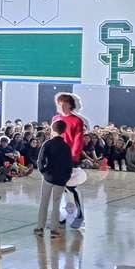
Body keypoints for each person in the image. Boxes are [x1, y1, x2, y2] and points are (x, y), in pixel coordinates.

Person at [52, 93, 86, 229]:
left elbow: (78, 141)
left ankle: (79, 215)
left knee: (71, 187)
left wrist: (72, 158)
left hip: (70, 159)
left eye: (64, 104)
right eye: (60, 104)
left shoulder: (77, 121)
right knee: (58, 189)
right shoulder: (55, 119)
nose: (61, 106)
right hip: (57, 159)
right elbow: (52, 137)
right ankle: (61, 217)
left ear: (71, 105)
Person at [35, 120, 71, 239]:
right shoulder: (66, 146)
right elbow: (69, 165)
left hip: (48, 177)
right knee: (56, 204)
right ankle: (54, 230)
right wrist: (66, 178)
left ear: (53, 129)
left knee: (44, 202)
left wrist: (43, 172)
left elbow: (40, 161)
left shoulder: (48, 143)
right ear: (64, 131)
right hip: (60, 179)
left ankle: (40, 227)